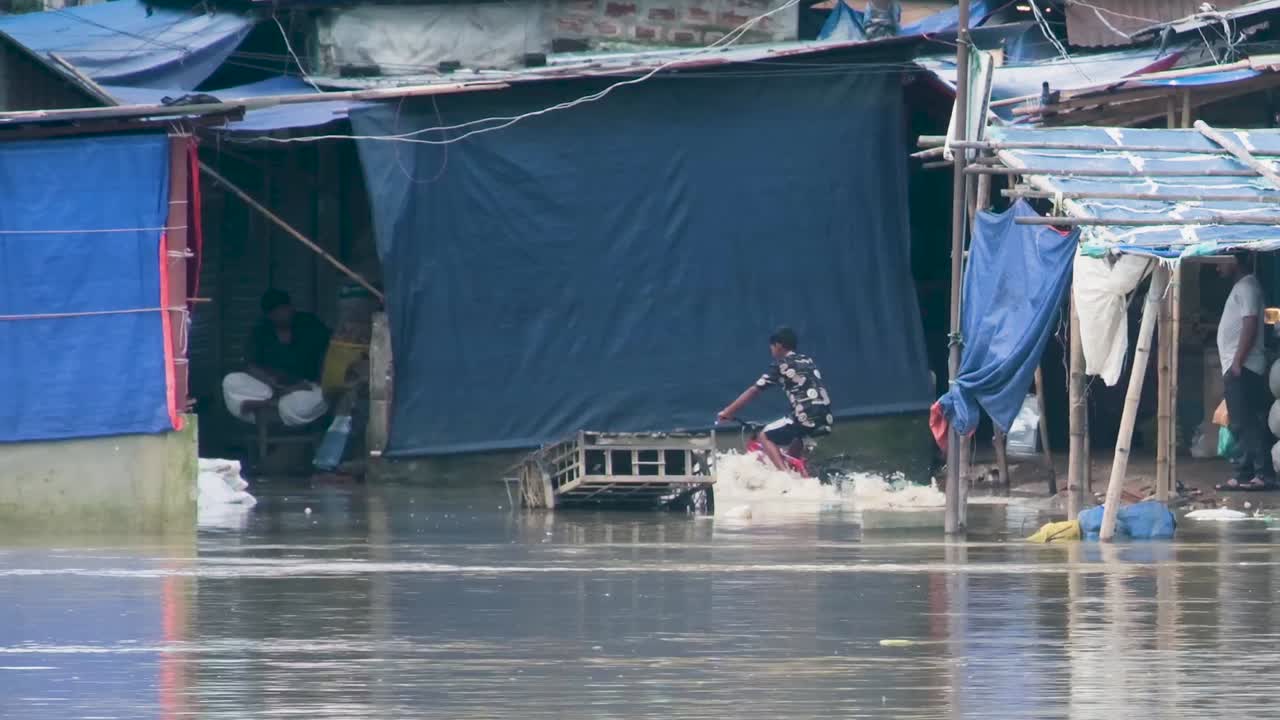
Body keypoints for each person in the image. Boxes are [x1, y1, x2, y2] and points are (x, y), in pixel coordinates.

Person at [717, 327, 834, 471]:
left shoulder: (781, 365)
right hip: (825, 416)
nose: (771, 350)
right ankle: (796, 473)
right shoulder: (806, 360)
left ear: (778, 345)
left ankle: (786, 478)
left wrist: (728, 412)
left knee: (764, 436)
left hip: (805, 416)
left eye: (771, 347)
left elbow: (754, 390)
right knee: (795, 446)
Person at [222, 289, 331, 428]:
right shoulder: (261, 331)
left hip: (306, 388)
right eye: (278, 312)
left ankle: (273, 405)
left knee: (305, 402)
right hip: (271, 389)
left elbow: (329, 349)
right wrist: (273, 383)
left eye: (286, 309)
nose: (285, 314)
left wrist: (317, 381)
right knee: (231, 380)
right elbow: (250, 365)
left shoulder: (309, 324)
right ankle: (275, 403)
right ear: (269, 315)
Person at [1215, 253, 1275, 490]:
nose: (1217, 266)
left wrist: (1238, 361)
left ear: (1235, 261)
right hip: (1239, 365)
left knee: (1246, 422)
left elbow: (1250, 324)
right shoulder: (1243, 287)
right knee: (1241, 421)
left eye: (1222, 260)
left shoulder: (1248, 286)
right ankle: (1245, 473)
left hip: (1244, 367)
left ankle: (1260, 474)